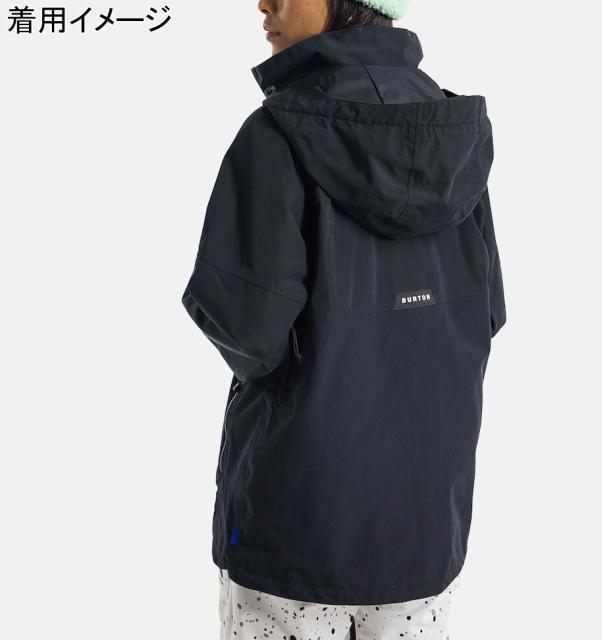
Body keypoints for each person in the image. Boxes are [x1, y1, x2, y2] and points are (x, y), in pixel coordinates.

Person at [181, 0, 506, 638]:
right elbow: (485, 313)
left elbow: (247, 330)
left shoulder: (276, 135)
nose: (264, 3)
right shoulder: (455, 133)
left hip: (294, 535)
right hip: (422, 532)